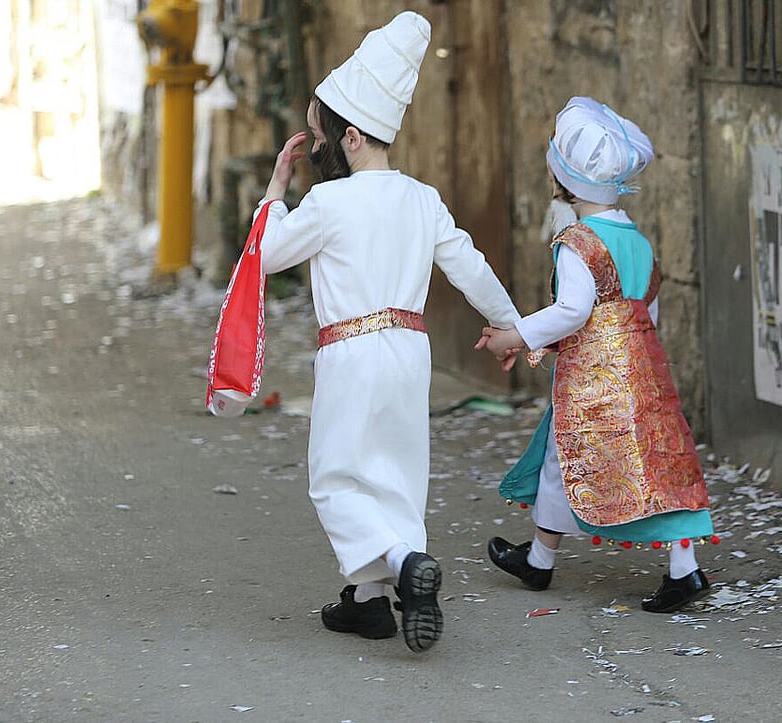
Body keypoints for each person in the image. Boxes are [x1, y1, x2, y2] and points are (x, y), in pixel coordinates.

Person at [252, 11, 520, 653]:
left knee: (337, 476)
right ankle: (369, 602)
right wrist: (512, 326)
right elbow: (470, 265)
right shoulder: (422, 198)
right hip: (409, 351)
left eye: (319, 139)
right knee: (396, 472)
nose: (314, 149)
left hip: (349, 351)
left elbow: (265, 256)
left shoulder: (328, 203)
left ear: (349, 141)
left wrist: (276, 191)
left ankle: (401, 569)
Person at [477, 97, 716, 614]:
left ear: (564, 181)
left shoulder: (578, 242)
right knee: (654, 464)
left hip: (594, 378)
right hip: (642, 371)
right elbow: (652, 315)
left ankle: (546, 560)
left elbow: (571, 310)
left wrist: (515, 336)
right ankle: (674, 567)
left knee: (568, 458)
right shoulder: (639, 241)